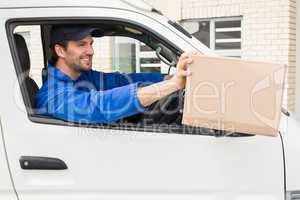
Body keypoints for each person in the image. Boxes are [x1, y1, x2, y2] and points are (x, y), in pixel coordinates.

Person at [35, 24, 193, 124]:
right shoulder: (51, 96)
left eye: (91, 44)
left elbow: (120, 81)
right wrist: (172, 85)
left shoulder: (83, 76)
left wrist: (169, 78)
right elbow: (98, 105)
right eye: (81, 44)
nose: (91, 51)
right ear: (60, 50)